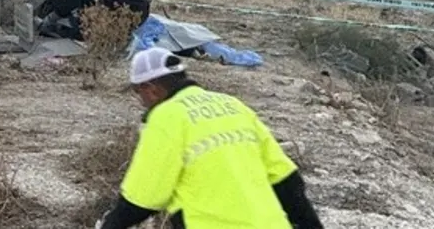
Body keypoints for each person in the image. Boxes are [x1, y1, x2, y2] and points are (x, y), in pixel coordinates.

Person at [96, 47, 324, 229]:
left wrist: (112, 223)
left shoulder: (166, 118)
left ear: (151, 88)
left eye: (138, 93)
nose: (141, 100)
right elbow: (286, 179)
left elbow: (144, 197)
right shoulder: (233, 106)